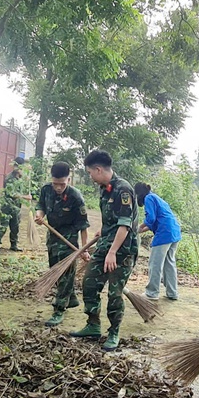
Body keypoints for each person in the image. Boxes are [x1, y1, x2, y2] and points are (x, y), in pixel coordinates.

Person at [70, 150, 138, 351]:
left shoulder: (123, 190)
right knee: (89, 283)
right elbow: (113, 219)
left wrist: (112, 252)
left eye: (90, 172)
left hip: (123, 250)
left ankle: (114, 331)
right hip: (106, 243)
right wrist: (104, 230)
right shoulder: (104, 188)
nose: (90, 177)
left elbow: (125, 225)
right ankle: (93, 325)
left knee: (115, 293)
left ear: (99, 169)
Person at [35, 162, 90, 327]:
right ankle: (71, 298)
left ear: (69, 179)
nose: (58, 187)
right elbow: (41, 205)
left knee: (65, 274)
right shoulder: (46, 189)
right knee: (55, 271)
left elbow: (83, 226)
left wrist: (83, 249)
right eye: (55, 183)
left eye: (62, 184)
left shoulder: (76, 197)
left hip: (69, 240)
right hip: (52, 238)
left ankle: (59, 309)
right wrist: (39, 215)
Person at [134, 183, 181, 301]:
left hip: (164, 233)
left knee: (155, 263)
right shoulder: (156, 198)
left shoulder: (148, 198)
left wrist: (138, 226)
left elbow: (150, 219)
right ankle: (172, 293)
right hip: (174, 232)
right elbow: (154, 221)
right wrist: (140, 230)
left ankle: (152, 293)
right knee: (169, 263)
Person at [0, 156, 32, 254]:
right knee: (3, 226)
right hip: (7, 206)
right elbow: (12, 194)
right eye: (18, 167)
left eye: (21, 168)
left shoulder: (20, 178)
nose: (19, 169)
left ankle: (14, 245)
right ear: (14, 166)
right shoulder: (10, 178)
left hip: (17, 207)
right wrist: (25, 197)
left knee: (15, 227)